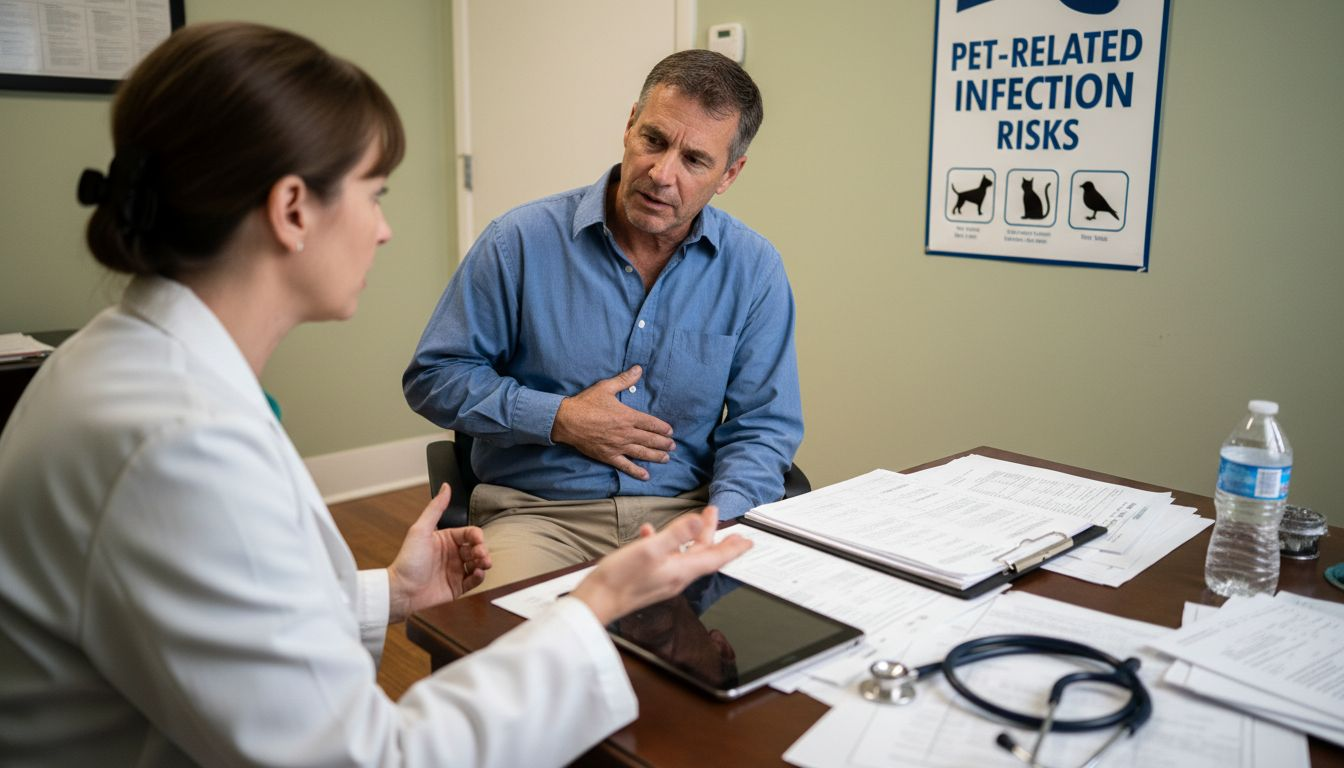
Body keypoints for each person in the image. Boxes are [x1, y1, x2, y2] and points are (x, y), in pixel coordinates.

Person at [0, 22, 750, 768]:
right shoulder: (180, 444)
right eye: (374, 192)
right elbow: (368, 759)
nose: (386, 229)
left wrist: (384, 595)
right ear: (294, 209)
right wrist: (592, 607)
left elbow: (219, 603)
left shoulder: (113, 362)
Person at [403, 49, 802, 591]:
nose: (662, 175)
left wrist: (721, 523)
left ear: (729, 174)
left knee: (744, 653)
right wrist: (558, 417)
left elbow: (764, 427)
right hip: (538, 518)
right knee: (517, 653)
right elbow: (434, 377)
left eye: (695, 161)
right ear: (630, 124)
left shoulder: (754, 269)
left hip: (684, 516)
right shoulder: (518, 241)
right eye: (654, 140)